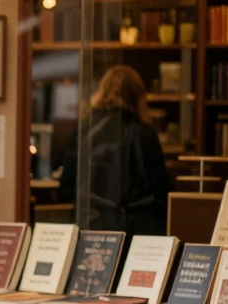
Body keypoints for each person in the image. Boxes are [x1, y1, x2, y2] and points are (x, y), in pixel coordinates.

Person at [58, 65, 171, 235]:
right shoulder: (143, 133)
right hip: (134, 234)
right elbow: (160, 192)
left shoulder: (83, 132)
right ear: (138, 96)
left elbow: (66, 189)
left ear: (101, 91)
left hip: (90, 228)